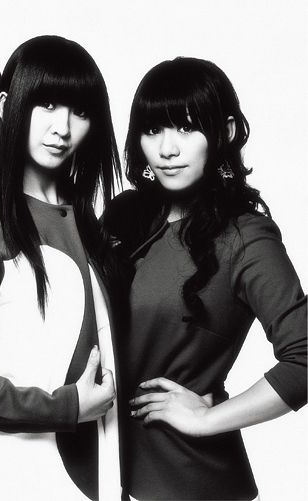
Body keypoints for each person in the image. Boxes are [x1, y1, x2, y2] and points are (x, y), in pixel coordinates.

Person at [0, 35, 122, 501]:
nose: (62, 127)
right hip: (6, 475)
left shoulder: (88, 226)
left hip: (90, 471)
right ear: (5, 105)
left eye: (79, 111)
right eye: (47, 104)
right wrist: (65, 408)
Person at [104, 57, 307, 500]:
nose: (167, 149)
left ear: (225, 132)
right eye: (153, 129)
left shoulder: (245, 237)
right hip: (105, 466)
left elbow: (305, 359)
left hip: (192, 479)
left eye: (187, 128)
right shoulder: (123, 217)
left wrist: (206, 418)